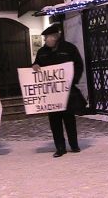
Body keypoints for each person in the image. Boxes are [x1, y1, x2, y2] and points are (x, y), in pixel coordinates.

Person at [32, 23, 84, 158]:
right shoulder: (42, 52)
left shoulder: (69, 48)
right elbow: (36, 65)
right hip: (51, 94)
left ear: (55, 36)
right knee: (54, 121)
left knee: (69, 119)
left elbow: (78, 65)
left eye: (47, 37)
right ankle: (60, 147)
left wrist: (73, 80)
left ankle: (74, 144)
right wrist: (34, 65)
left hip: (67, 92)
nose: (45, 40)